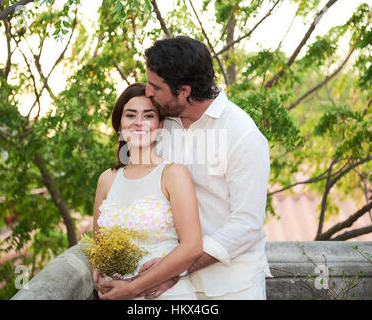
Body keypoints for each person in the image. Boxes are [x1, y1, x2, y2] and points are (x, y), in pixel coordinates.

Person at [105, 35, 272, 300]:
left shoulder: (242, 135)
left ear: (184, 91)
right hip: (166, 288)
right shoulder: (163, 122)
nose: (148, 93)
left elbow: (247, 225)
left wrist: (177, 269)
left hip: (230, 287)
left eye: (155, 87)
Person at [91, 82, 202, 300]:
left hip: (165, 296)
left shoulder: (172, 173)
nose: (139, 123)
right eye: (130, 115)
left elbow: (192, 246)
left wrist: (134, 288)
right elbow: (97, 245)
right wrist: (97, 269)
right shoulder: (107, 179)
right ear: (119, 124)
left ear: (160, 125)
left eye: (148, 116)